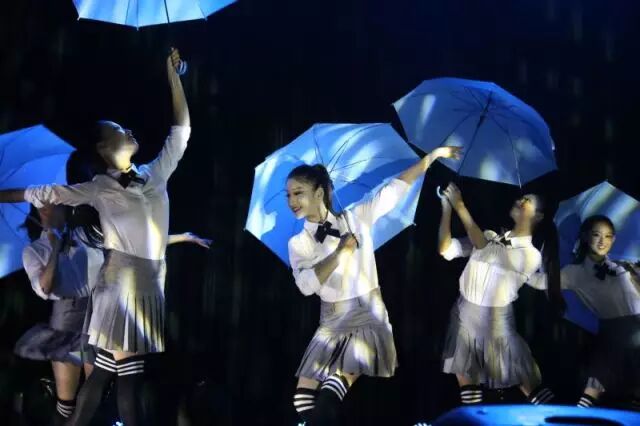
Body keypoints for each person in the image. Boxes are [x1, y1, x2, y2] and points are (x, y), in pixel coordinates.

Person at [0, 47, 192, 426]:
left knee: (104, 373)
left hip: (151, 282)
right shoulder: (100, 187)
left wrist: (173, 79)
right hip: (121, 284)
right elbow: (43, 193)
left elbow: (181, 130)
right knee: (128, 379)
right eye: (118, 131)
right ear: (104, 149)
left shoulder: (156, 173)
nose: (127, 131)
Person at [287, 146, 461, 425]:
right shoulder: (298, 243)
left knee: (331, 392)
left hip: (365, 314)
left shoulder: (356, 217)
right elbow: (306, 287)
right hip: (330, 320)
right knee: (302, 400)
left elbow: (394, 189)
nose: (292, 201)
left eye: (298, 193)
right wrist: (339, 253)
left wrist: (433, 156)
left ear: (319, 193)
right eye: (289, 195)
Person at [437, 183, 561, 406]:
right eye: (521, 198)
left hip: (495, 322)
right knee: (468, 384)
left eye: (527, 201)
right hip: (464, 314)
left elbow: (486, 250)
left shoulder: (530, 254)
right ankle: (476, 421)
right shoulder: (489, 235)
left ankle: (560, 419)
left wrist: (460, 206)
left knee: (527, 382)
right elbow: (446, 249)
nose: (520, 201)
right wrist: (447, 208)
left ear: (538, 216)